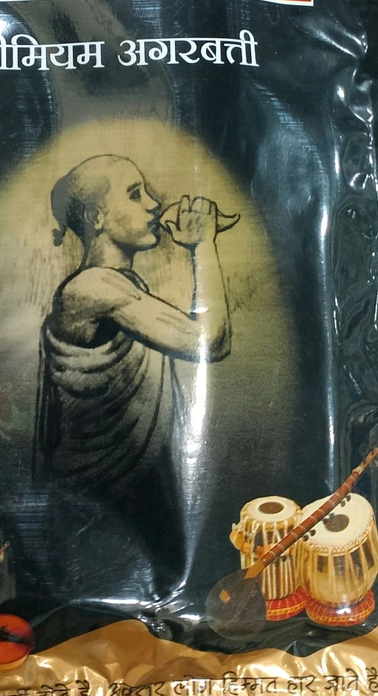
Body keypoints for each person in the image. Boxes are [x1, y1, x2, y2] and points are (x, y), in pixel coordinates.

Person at [34, 155, 234, 497]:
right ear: (96, 217)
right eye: (135, 194)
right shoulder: (91, 288)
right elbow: (212, 342)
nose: (154, 204)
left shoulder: (126, 287)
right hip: (96, 493)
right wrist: (203, 244)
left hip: (138, 487)